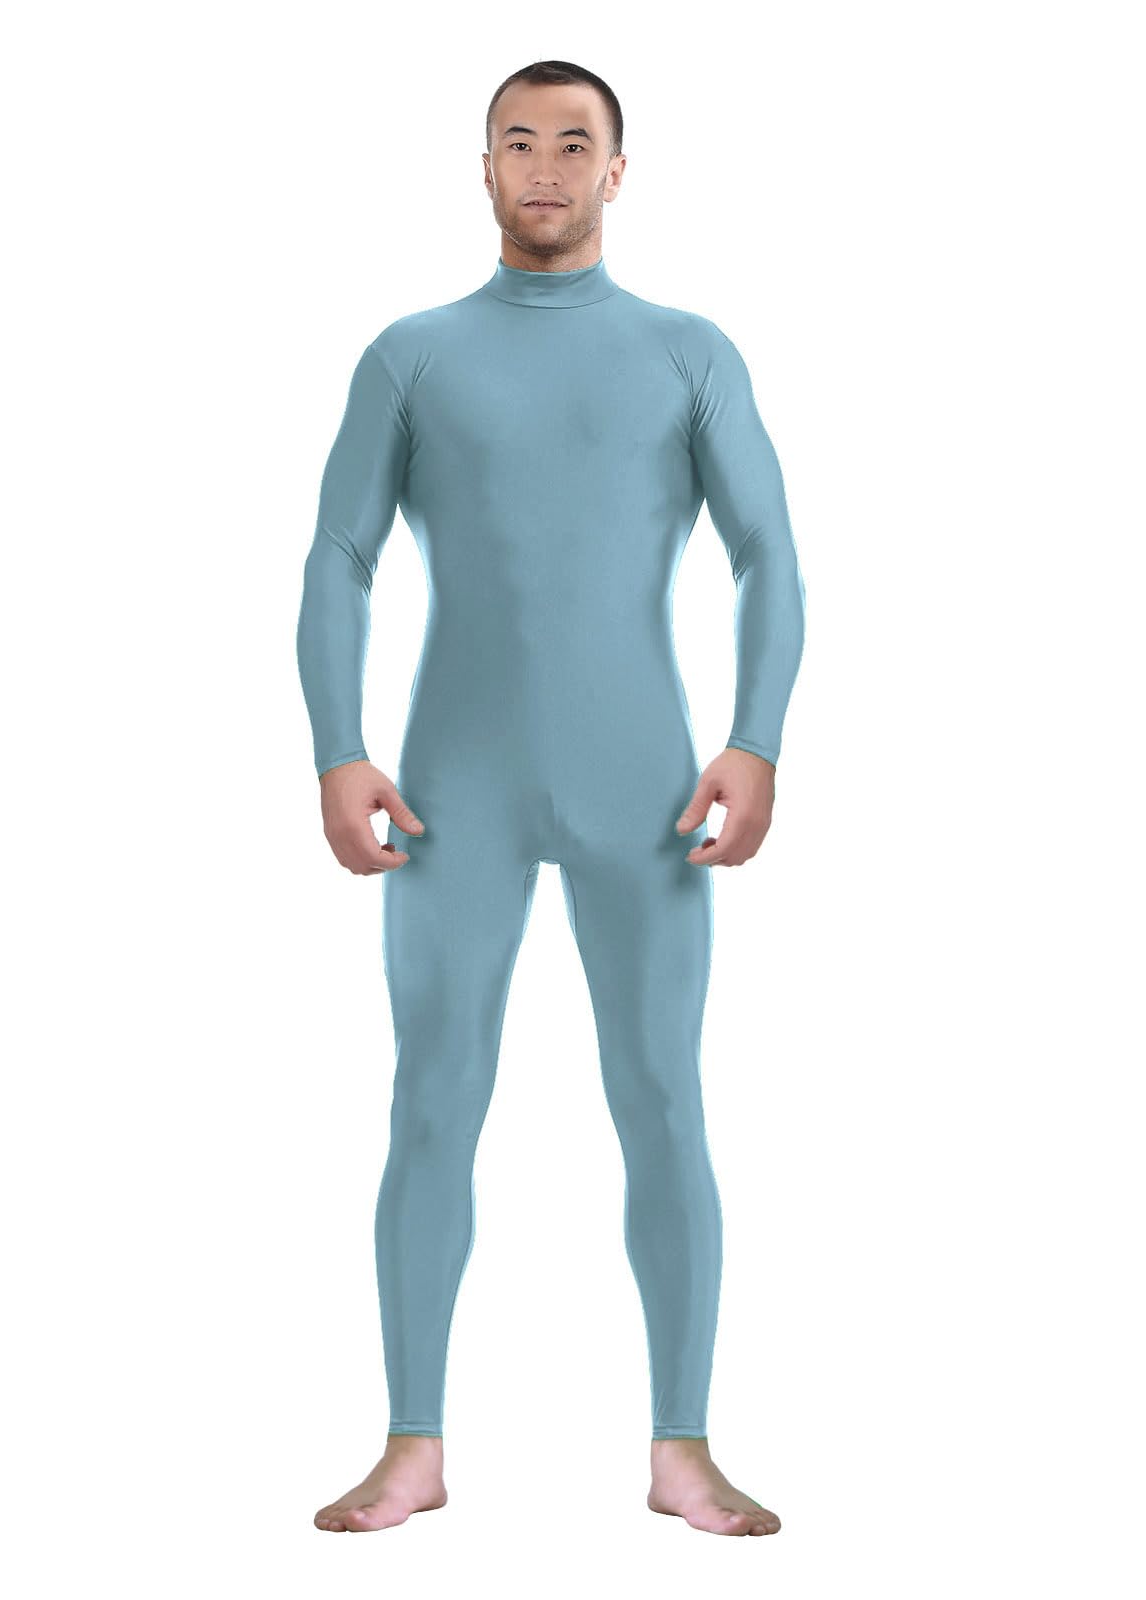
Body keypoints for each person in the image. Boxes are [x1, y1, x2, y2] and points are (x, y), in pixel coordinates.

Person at [298, 59, 805, 1538]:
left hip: (645, 786)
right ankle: (412, 1447)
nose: (544, 166)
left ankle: (682, 1449)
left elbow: (769, 551)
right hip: (451, 789)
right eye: (517, 141)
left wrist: (756, 738)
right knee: (432, 1100)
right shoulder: (411, 356)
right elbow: (337, 556)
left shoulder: (688, 352)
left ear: (616, 172)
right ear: (483, 168)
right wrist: (336, 747)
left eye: (574, 144)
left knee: (662, 1098)